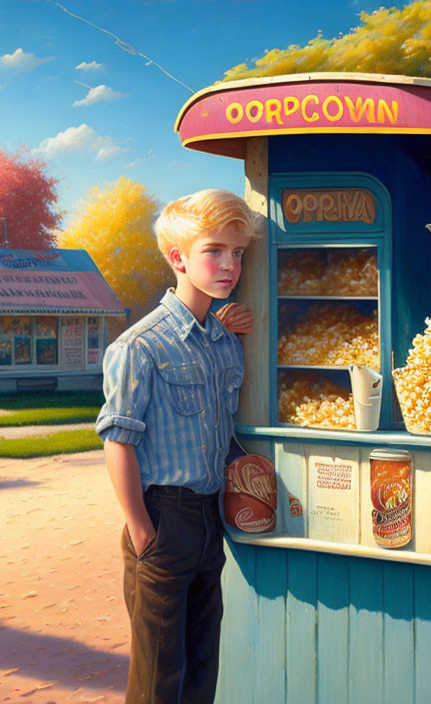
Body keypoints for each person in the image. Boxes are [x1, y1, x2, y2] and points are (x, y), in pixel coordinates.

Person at [96, 188, 259, 703]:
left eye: (238, 253)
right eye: (214, 250)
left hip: (210, 520)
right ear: (178, 258)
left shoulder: (224, 341)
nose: (229, 264)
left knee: (201, 669)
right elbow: (118, 440)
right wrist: (142, 530)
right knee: (157, 679)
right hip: (163, 518)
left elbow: (223, 429)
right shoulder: (140, 345)